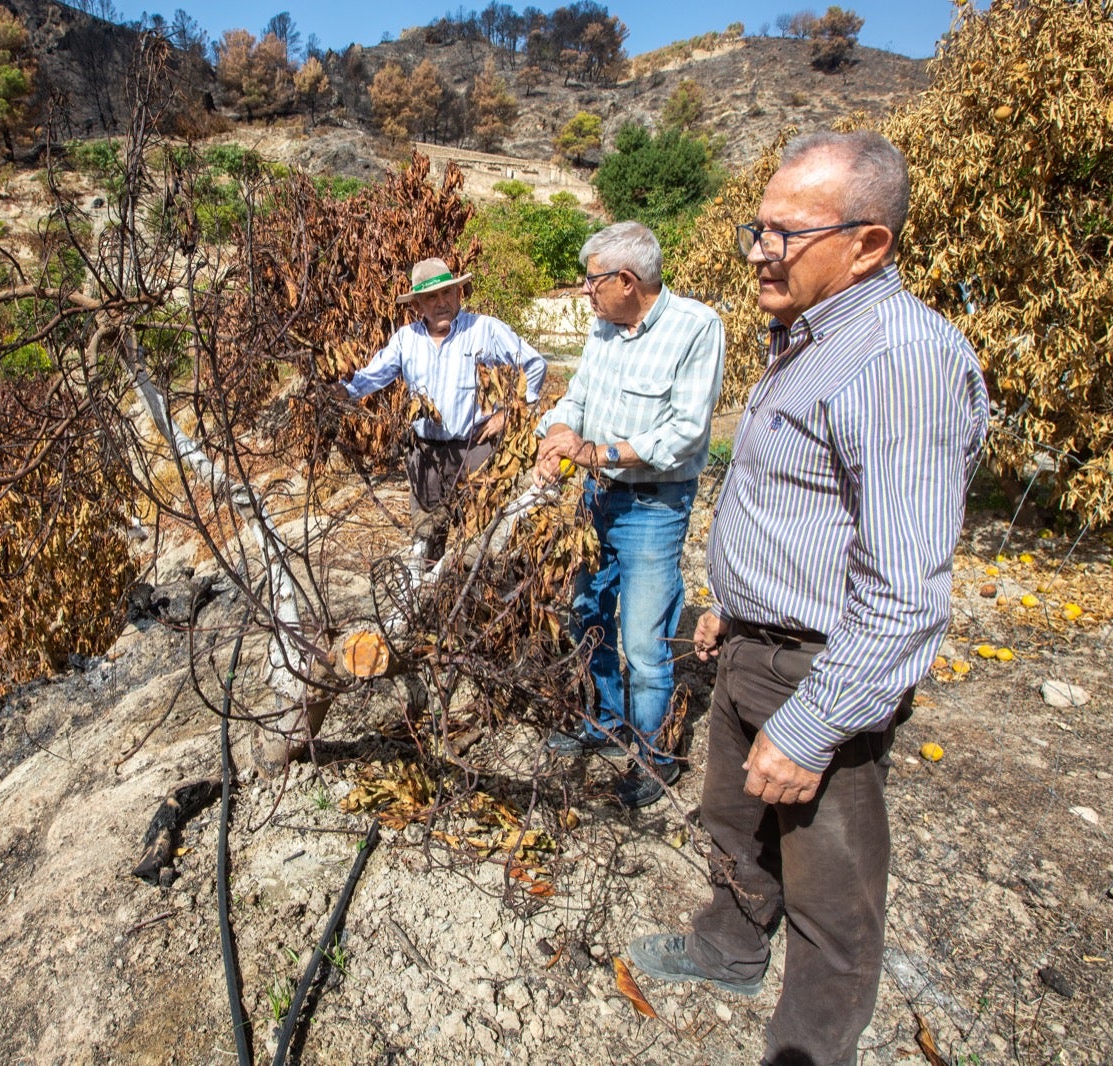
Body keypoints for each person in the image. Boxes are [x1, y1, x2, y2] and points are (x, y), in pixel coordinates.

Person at [626, 131, 989, 1066]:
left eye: (781, 233)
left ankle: (811, 1047)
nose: (756, 251)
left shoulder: (899, 360)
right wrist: (730, 604)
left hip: (818, 669)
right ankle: (729, 947)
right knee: (733, 824)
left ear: (868, 243)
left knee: (833, 895)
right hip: (751, 644)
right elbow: (797, 507)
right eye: (758, 228)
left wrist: (815, 721)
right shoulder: (811, 339)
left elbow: (907, 591)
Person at [532, 221, 725, 809]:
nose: (584, 293)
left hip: (652, 505)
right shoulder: (604, 330)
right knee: (585, 613)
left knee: (643, 641)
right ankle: (603, 720)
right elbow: (580, 397)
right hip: (596, 498)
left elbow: (686, 433)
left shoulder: (696, 328)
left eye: (591, 282)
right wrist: (561, 428)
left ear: (626, 280)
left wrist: (594, 452)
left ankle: (652, 756)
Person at [333, 257, 548, 563]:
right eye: (431, 297)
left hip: (475, 452)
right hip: (425, 457)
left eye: (447, 293)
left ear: (459, 294)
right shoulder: (406, 339)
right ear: (418, 305)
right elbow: (371, 377)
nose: (441, 302)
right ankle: (432, 607)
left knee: (478, 543)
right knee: (425, 543)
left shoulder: (483, 329)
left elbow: (534, 364)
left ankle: (468, 605)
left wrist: (511, 413)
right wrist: (339, 390)